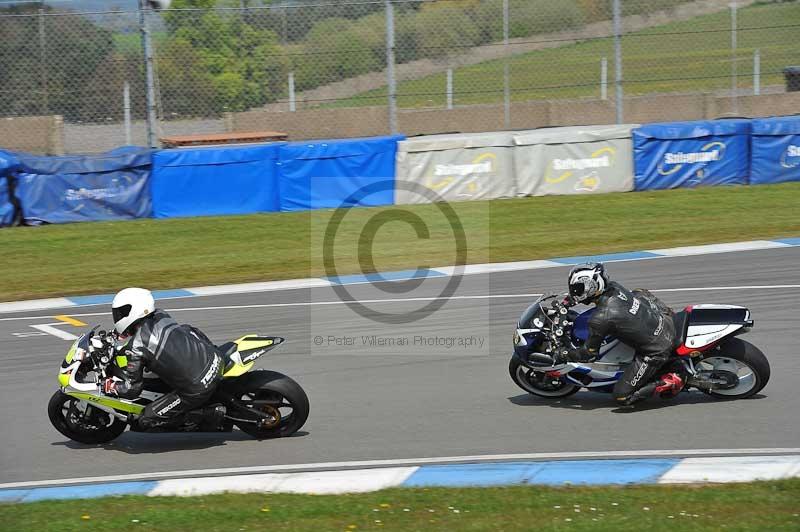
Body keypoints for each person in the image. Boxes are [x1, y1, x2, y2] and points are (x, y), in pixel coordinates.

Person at [558, 263, 683, 405]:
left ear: (591, 287)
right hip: (664, 320)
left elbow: (588, 354)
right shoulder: (614, 287)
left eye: (578, 289)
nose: (575, 292)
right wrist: (567, 302)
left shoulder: (601, 318)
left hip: (656, 349)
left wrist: (563, 354)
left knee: (622, 396)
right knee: (638, 292)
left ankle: (672, 380)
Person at [102, 287, 225, 431]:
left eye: (121, 313)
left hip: (197, 387)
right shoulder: (161, 315)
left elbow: (132, 389)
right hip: (215, 358)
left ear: (133, 310)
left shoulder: (136, 348)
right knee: (185, 328)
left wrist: (111, 386)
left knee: (145, 419)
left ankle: (208, 415)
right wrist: (121, 334)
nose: (118, 317)